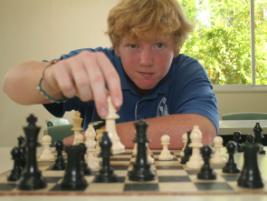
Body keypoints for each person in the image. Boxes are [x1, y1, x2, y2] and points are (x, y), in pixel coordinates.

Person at [3, 0, 218, 149]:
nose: (146, 60)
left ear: (176, 47)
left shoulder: (187, 71)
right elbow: (11, 84)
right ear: (116, 47)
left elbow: (203, 131)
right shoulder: (96, 63)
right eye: (133, 45)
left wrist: (101, 136)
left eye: (159, 45)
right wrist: (50, 78)